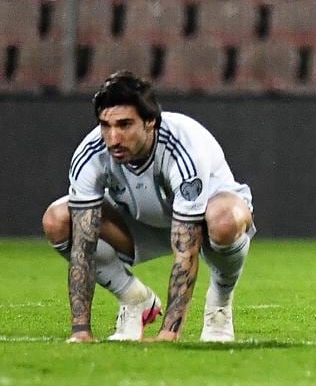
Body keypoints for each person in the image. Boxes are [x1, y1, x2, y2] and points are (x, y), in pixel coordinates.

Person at [47, 72, 255, 343]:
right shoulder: (91, 154)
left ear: (150, 122)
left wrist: (169, 333)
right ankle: (135, 298)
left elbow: (186, 251)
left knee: (225, 220)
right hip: (138, 222)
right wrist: (81, 330)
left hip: (201, 222)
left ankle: (219, 303)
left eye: (124, 125)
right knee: (58, 219)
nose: (113, 138)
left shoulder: (183, 149)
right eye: (105, 126)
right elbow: (83, 247)